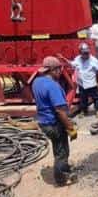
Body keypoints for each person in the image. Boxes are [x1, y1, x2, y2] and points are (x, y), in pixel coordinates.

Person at [31, 55, 78, 185]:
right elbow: (60, 111)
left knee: (58, 147)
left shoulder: (37, 82)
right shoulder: (53, 86)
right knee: (62, 152)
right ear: (53, 70)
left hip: (43, 122)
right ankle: (61, 178)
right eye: (59, 69)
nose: (60, 71)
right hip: (53, 123)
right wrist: (71, 128)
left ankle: (64, 168)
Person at [71, 43, 98, 115]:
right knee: (83, 98)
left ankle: (97, 110)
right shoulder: (77, 59)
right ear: (80, 53)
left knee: (96, 98)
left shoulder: (94, 60)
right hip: (82, 84)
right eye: (84, 53)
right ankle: (84, 111)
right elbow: (72, 65)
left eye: (87, 53)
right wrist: (64, 59)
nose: (86, 55)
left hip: (92, 83)